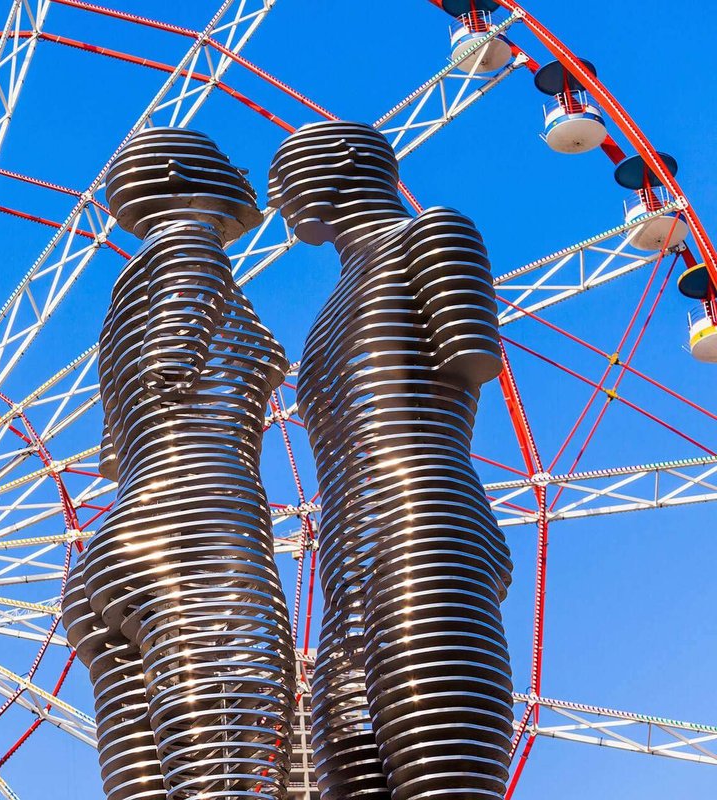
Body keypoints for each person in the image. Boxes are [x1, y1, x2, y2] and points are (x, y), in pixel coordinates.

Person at [266, 120, 514, 800]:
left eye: (289, 170)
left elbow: (472, 356)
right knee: (342, 773)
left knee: (442, 766)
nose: (275, 191)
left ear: (346, 159)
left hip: (422, 519)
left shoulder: (431, 235)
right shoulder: (321, 318)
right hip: (347, 564)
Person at [63, 126, 295, 800]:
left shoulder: (120, 297)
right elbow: (172, 362)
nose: (244, 172)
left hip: (114, 550)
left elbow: (114, 447)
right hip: (197, 531)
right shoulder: (194, 251)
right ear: (175, 172)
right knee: (242, 758)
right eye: (226, 159)